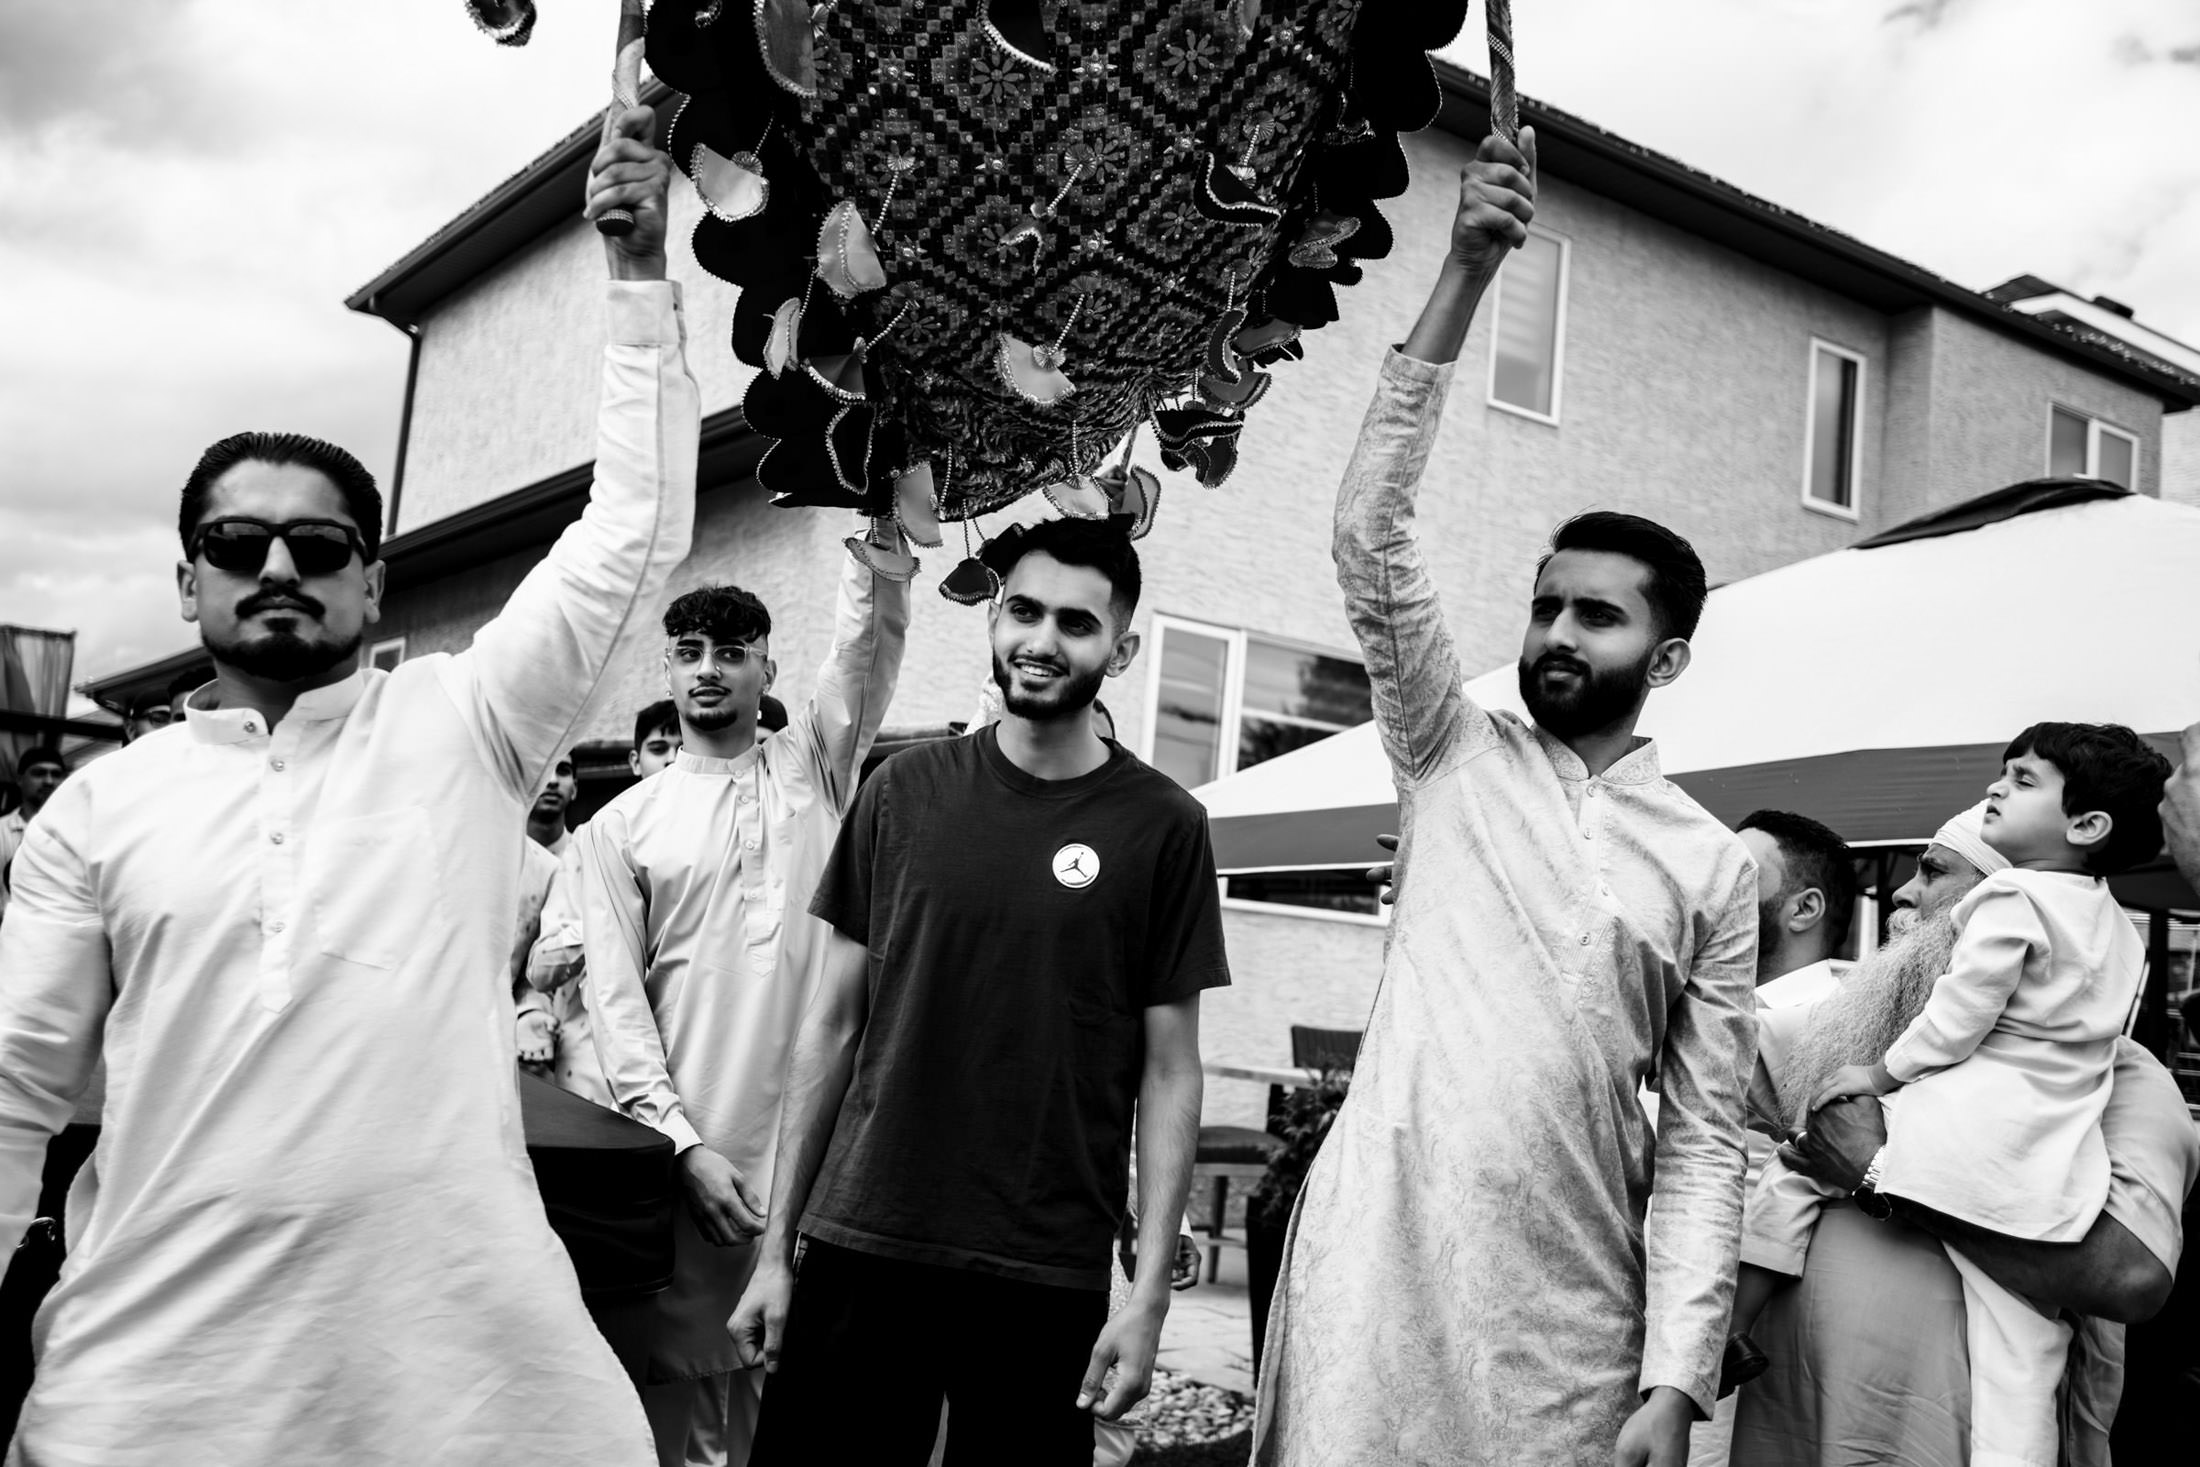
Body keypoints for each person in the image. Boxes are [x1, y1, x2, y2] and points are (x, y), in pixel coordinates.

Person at [0, 105, 690, 1466]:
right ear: (187, 577)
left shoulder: (465, 723)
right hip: (150, 1382)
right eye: (236, 541)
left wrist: (635, 273)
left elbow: (634, 530)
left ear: (371, 581)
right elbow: (17, 1086)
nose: (276, 567)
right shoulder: (101, 805)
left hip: (456, 1384)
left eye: (317, 544)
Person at [1252, 127, 1759, 1467]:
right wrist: (1467, 266)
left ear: (1666, 658)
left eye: (1593, 614)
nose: (1553, 631)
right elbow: (1369, 534)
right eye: (1543, 604)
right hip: (1383, 1267)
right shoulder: (1448, 752)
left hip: (1574, 1318)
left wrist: (1676, 1376)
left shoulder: (1715, 868)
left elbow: (1709, 1143)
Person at [726, 517, 1228, 1465]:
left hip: (1043, 1267)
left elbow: (1170, 1071)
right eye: (1023, 611)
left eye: (1075, 624)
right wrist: (773, 1250)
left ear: (1119, 650)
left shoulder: (1165, 827)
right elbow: (831, 1025)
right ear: (994, 619)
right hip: (862, 1238)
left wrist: (1149, 1295)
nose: (1041, 641)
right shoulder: (901, 792)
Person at [1733, 725, 2170, 1467]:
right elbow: (1701, 1051)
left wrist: (1878, 1172)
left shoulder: (2116, 1077)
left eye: (1934, 871)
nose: (1904, 891)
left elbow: (2131, 1277)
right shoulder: (1853, 1032)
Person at [583, 553, 910, 1467]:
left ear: (767, 667)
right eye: (688, 651)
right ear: (668, 670)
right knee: (679, 1428)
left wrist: (878, 531)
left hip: (821, 1155)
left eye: (732, 651)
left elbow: (864, 648)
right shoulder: (620, 827)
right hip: (689, 1170)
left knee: (809, 1416)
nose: (709, 669)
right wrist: (681, 1147)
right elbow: (616, 1011)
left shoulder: (816, 772)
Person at [517, 700, 682, 1099]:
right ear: (635, 761)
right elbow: (540, 967)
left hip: (680, 1071)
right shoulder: (591, 842)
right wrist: (612, 922)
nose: (672, 761)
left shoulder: (720, 848)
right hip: (590, 1079)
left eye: (683, 748)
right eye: (659, 750)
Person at [0, 749, 68, 924]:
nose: (48, 781)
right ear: (20, 779)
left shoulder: (76, 833)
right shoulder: (1, 830)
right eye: (39, 773)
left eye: (56, 774)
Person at [531, 750, 582, 854]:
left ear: (574, 788)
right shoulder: (499, 858)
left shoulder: (588, 856)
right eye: (541, 769)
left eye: (563, 771)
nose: (552, 781)